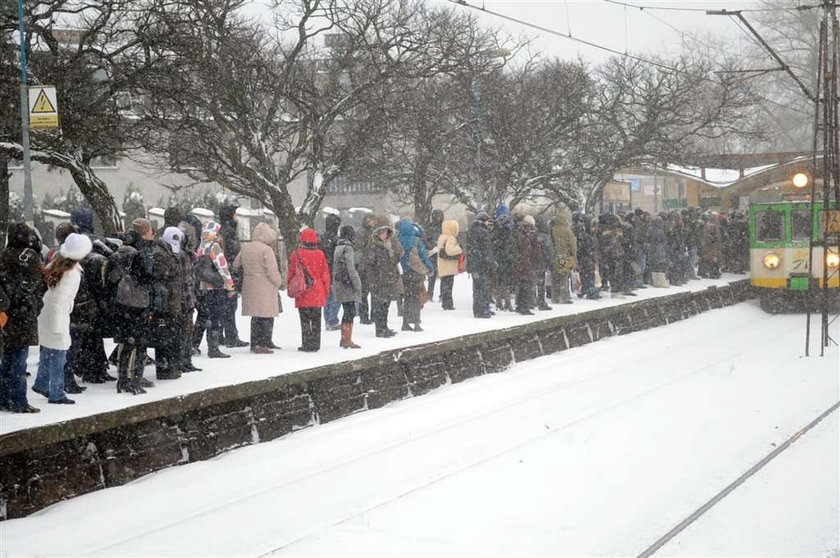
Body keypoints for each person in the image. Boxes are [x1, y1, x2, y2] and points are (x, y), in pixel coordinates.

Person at [32, 233, 92, 405]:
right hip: (58, 314)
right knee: (59, 353)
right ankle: (56, 392)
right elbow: (65, 298)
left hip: (46, 311)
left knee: (48, 349)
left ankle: (41, 383)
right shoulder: (73, 272)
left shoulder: (57, 262)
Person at [0, 224, 47, 413]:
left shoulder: (2, 255)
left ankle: (3, 398)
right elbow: (37, 286)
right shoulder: (30, 256)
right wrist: (36, 306)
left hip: (5, 314)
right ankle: (19, 401)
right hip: (24, 315)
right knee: (19, 361)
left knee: (7, 359)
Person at [109, 220, 156, 394]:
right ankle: (132, 379)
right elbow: (146, 277)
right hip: (137, 301)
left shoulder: (121, 249)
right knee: (137, 342)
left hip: (122, 302)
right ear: (143, 233)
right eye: (151, 231)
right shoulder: (138, 253)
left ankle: (124, 378)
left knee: (127, 342)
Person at [232, 222, 284, 354]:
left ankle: (255, 342)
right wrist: (279, 282)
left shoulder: (246, 247)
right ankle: (264, 342)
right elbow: (272, 271)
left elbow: (235, 264)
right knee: (267, 314)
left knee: (255, 316)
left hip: (249, 285)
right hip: (265, 285)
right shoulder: (267, 250)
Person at [195, 221, 236, 358]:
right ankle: (213, 348)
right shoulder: (214, 246)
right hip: (215, 288)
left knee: (202, 317)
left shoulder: (201, 247)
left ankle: (193, 345)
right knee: (215, 318)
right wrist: (230, 286)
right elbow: (222, 268)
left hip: (202, 287)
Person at [288, 228, 331, 352]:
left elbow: (292, 273)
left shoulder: (296, 254)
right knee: (317, 320)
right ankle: (316, 343)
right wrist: (326, 291)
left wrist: (291, 287)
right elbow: (325, 275)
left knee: (305, 320)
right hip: (317, 290)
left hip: (303, 290)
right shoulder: (320, 254)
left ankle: (306, 343)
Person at [363, 216, 404, 337]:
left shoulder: (388, 246)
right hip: (379, 281)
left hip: (389, 279)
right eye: (381, 232)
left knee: (386, 305)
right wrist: (373, 282)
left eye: (386, 232)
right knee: (380, 306)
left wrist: (394, 242)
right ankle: (380, 329)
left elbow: (398, 256)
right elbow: (370, 266)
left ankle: (384, 327)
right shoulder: (373, 247)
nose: (384, 235)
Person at [218, 204, 248, 348]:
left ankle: (221, 335)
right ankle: (231, 336)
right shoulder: (229, 232)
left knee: (224, 306)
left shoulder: (220, 231)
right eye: (235, 214)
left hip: (223, 272)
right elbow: (233, 254)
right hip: (229, 273)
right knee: (230, 306)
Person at [396, 218, 433, 332]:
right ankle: (416, 323)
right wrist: (430, 268)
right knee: (416, 298)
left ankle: (405, 323)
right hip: (416, 273)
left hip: (404, 273)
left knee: (407, 298)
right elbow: (424, 257)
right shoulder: (416, 241)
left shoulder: (397, 241)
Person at [332, 225, 363, 348]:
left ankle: (344, 338)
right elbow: (351, 268)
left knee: (346, 310)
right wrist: (357, 283)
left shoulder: (338, 246)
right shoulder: (348, 248)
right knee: (350, 312)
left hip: (340, 281)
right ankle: (347, 339)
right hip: (348, 283)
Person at [466, 212, 496, 318]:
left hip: (474, 264)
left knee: (476, 288)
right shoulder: (484, 232)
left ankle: (477, 310)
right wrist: (491, 263)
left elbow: (469, 249)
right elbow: (487, 250)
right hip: (482, 264)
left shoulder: (471, 231)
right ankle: (483, 310)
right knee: (483, 288)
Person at [512, 215, 544, 314]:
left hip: (520, 263)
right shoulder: (531, 234)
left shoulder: (518, 232)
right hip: (528, 263)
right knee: (527, 285)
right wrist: (538, 261)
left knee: (522, 285)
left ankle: (520, 305)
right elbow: (535, 250)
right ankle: (524, 307)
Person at [320, 213, 342, 331]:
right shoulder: (336, 240)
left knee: (328, 297)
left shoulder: (322, 238)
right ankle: (332, 320)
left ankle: (328, 319)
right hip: (334, 270)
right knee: (336, 297)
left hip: (324, 271)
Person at [435, 219, 463, 311]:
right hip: (449, 265)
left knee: (444, 284)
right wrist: (459, 248)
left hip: (442, 264)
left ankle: (444, 302)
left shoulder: (441, 237)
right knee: (448, 285)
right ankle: (448, 304)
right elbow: (450, 251)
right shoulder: (451, 238)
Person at [492, 204, 515, 311]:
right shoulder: (510, 226)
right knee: (505, 281)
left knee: (498, 280)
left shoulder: (495, 226)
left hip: (498, 257)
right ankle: (507, 303)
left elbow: (493, 242)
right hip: (507, 257)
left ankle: (499, 302)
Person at [551, 211, 577, 304]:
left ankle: (555, 297)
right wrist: (574, 256)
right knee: (564, 278)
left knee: (555, 278)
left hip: (554, 256)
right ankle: (564, 297)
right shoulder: (567, 230)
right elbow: (573, 245)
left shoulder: (552, 229)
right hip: (565, 256)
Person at [355, 214, 377, 325]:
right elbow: (359, 250)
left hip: (371, 265)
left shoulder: (372, 232)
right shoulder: (362, 232)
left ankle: (372, 315)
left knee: (372, 293)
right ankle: (364, 316)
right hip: (365, 266)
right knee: (364, 293)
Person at [534, 216, 554, 310]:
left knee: (533, 282)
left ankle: (533, 300)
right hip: (542, 263)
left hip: (533, 262)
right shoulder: (545, 237)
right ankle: (541, 302)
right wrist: (550, 262)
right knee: (541, 283)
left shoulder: (533, 235)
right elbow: (548, 251)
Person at [425, 209, 444, 301]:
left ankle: (442, 295)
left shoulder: (444, 227)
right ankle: (429, 295)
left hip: (442, 253)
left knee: (443, 275)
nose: (438, 218)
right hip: (432, 253)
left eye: (439, 216)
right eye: (437, 216)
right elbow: (426, 239)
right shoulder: (430, 227)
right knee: (432, 275)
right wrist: (432, 247)